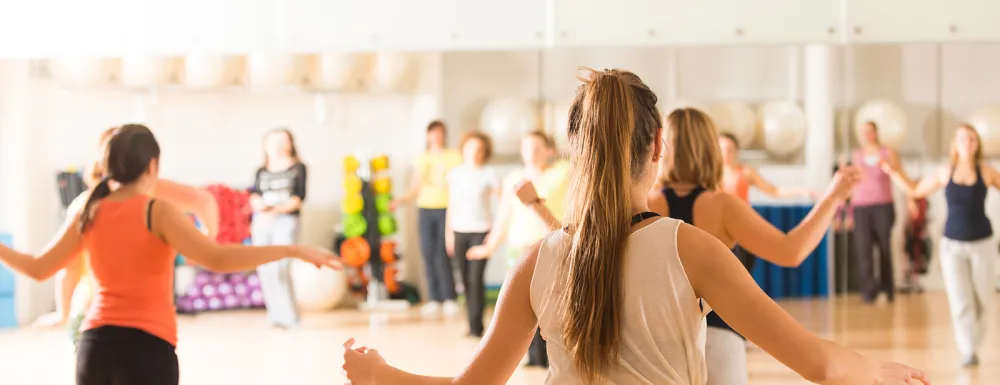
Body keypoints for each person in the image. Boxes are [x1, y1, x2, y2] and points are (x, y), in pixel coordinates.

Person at [341, 68, 927, 385]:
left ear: (577, 155)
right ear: (657, 147)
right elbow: (820, 366)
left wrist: (384, 376)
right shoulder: (689, 247)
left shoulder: (537, 261)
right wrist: (882, 371)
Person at [0, 124, 338, 385]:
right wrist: (293, 248)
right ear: (152, 165)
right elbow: (218, 259)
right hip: (146, 350)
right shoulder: (157, 210)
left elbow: (36, 268)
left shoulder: (87, 210)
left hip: (94, 347)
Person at [647, 107, 864, 385]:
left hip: (660, 343)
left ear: (663, 146)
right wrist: (833, 197)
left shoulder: (647, 204)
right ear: (709, 148)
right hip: (718, 340)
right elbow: (790, 251)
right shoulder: (722, 206)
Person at [34, 127, 220, 333]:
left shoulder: (85, 206)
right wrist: (204, 243)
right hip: (141, 322)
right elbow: (204, 201)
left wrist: (62, 314)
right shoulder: (149, 191)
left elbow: (70, 270)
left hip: (96, 319)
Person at [881, 124, 994, 367]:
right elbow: (915, 189)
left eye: (972, 139)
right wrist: (894, 172)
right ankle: (968, 350)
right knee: (960, 299)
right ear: (955, 143)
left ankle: (974, 342)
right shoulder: (945, 172)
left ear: (977, 144)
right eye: (963, 138)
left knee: (982, 298)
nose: (968, 143)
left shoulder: (986, 171)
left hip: (982, 243)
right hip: (952, 244)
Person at [465, 130, 569, 367]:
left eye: (537, 147)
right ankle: (532, 356)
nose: (531, 152)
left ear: (548, 151)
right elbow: (503, 217)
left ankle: (548, 358)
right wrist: (488, 247)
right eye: (527, 147)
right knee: (523, 306)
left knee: (550, 304)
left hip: (549, 246)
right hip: (518, 250)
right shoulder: (513, 179)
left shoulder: (561, 174)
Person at [392, 120, 463, 318]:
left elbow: (460, 182)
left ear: (444, 135)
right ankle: (434, 298)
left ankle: (449, 297)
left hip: (446, 209)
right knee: (427, 252)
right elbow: (415, 187)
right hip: (425, 208)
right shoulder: (422, 159)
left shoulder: (454, 156)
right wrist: (401, 200)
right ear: (427, 136)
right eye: (433, 133)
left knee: (443, 253)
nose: (436, 136)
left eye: (440, 133)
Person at [248, 127, 308, 329]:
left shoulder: (298, 168)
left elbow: (298, 198)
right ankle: (275, 315)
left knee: (280, 267)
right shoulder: (261, 170)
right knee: (264, 269)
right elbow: (254, 193)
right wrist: (259, 207)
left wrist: (275, 212)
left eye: (283, 141)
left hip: (285, 221)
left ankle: (291, 316)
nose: (278, 145)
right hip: (262, 221)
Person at [444, 131, 501, 338]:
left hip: (481, 232)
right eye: (471, 148)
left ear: (485, 151)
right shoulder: (455, 174)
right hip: (459, 231)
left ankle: (478, 326)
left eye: (479, 149)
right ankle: (471, 323)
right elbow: (451, 205)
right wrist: (448, 234)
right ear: (464, 149)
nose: (474, 152)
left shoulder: (490, 174)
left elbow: (503, 205)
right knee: (465, 280)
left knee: (476, 278)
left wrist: (496, 231)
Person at [851, 121, 901, 304]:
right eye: (864, 132)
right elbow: (854, 181)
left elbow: (898, 172)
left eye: (870, 131)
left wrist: (889, 165)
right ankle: (869, 290)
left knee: (884, 248)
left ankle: (888, 288)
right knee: (864, 249)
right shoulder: (857, 155)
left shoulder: (888, 153)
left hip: (883, 205)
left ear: (876, 132)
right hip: (861, 206)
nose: (867, 135)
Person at [719, 132, 817, 202]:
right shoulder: (712, 174)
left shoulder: (746, 172)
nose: (725, 153)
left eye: (729, 150)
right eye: (721, 149)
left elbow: (774, 191)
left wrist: (801, 190)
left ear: (736, 150)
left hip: (740, 221)